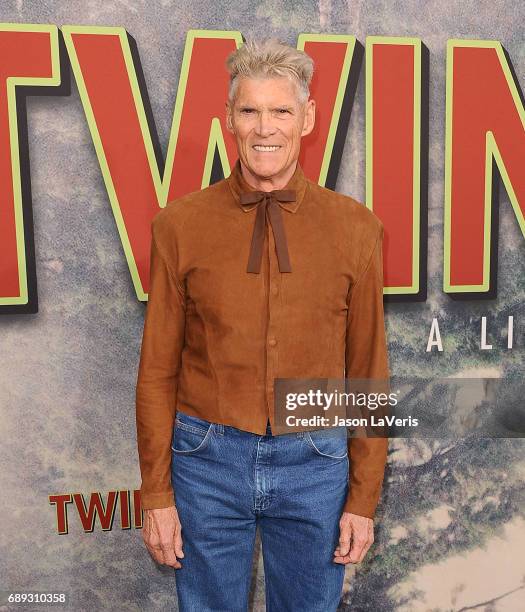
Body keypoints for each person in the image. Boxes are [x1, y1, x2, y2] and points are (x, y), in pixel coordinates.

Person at [135, 38, 390, 612]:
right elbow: (156, 370)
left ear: (307, 119)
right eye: (250, 110)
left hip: (317, 461)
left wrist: (362, 499)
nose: (264, 127)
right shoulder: (179, 225)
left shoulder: (357, 229)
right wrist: (156, 492)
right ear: (230, 119)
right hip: (204, 460)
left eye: (281, 110)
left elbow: (369, 371)